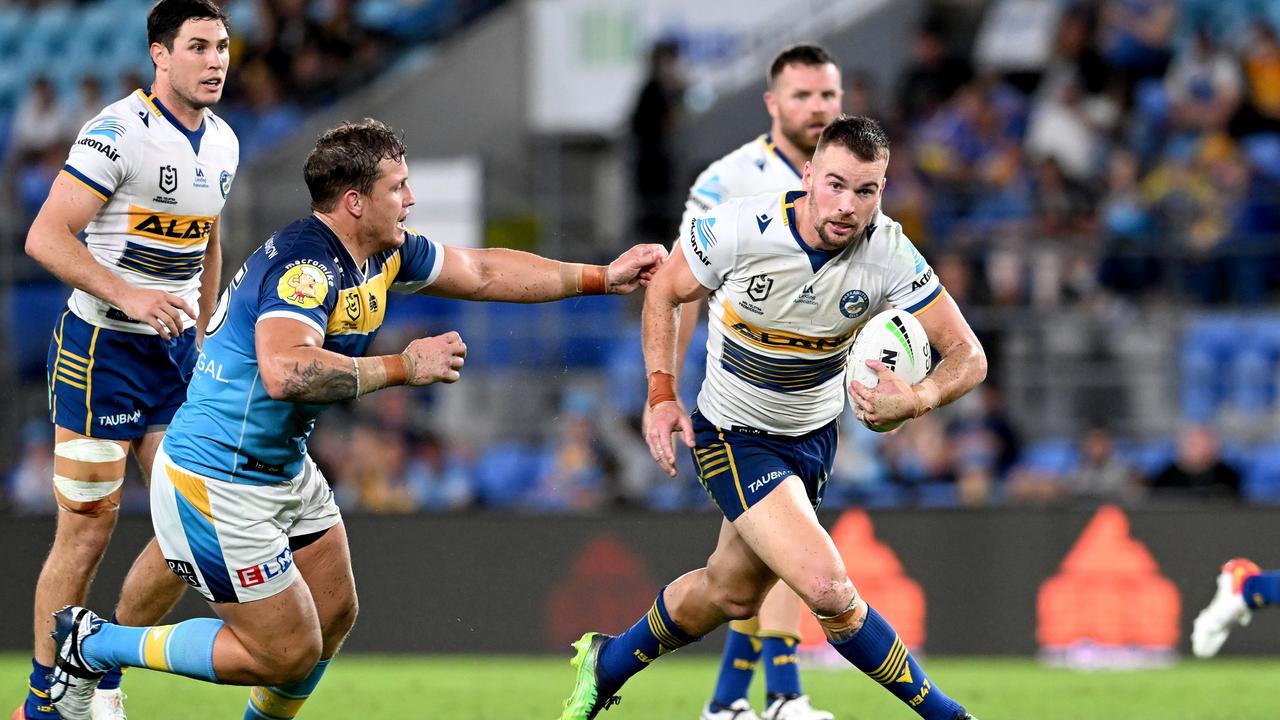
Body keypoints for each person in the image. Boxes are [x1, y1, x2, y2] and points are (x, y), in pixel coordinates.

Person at [44, 118, 666, 720]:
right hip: (219, 478)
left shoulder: (380, 254)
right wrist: (402, 367)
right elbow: (284, 371)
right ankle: (93, 645)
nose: (410, 199)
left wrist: (601, 277)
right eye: (397, 187)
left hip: (281, 469)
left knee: (335, 612)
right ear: (354, 202)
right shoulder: (307, 268)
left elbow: (479, 271)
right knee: (287, 653)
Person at [560, 116, 987, 720]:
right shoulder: (741, 227)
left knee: (730, 591)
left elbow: (970, 355)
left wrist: (915, 400)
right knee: (829, 590)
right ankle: (950, 717)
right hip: (733, 435)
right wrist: (660, 395)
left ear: (881, 192)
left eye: (866, 191)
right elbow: (665, 291)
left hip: (812, 441)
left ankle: (607, 663)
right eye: (835, 184)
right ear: (808, 176)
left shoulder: (889, 251)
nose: (847, 205)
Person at [15, 3, 238, 719]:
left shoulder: (224, 143)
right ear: (160, 55)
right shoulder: (117, 134)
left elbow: (207, 241)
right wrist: (130, 295)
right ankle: (46, 699)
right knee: (86, 532)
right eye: (199, 46)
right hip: (99, 351)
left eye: (224, 47)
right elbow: (45, 237)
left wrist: (202, 332)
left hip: (174, 357)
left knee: (187, 527)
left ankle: (102, 678)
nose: (216, 61)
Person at [673, 43, 843, 720]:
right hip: (741, 396)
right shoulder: (727, 180)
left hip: (814, 394)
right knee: (779, 542)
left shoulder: (852, 178)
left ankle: (727, 704)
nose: (817, 108)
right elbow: (680, 286)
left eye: (828, 96)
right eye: (801, 96)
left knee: (752, 561)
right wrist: (666, 388)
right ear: (772, 103)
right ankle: (780, 695)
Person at [1192, 558, 1280, 658]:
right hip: (1237, 585)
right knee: (1205, 639)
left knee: (1205, 650)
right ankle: (1211, 623)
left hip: (1244, 585)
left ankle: (1223, 624)